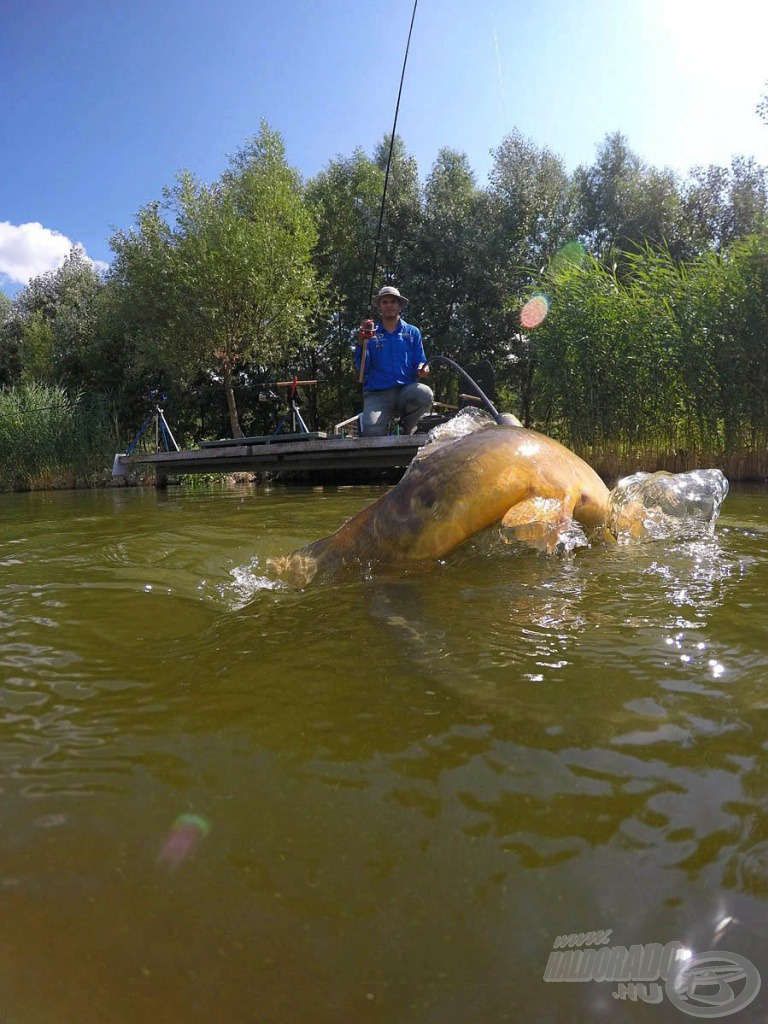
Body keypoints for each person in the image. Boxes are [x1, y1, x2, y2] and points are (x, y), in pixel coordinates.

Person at [354, 285, 433, 436]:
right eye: (385, 302)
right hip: (378, 394)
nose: (389, 305)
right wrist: (361, 342)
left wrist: (423, 368)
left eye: (393, 301)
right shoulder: (370, 334)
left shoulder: (412, 332)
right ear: (379, 306)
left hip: (405, 391)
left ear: (399, 305)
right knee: (373, 431)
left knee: (425, 394)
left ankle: (406, 429)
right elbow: (362, 368)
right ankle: (371, 424)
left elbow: (421, 360)